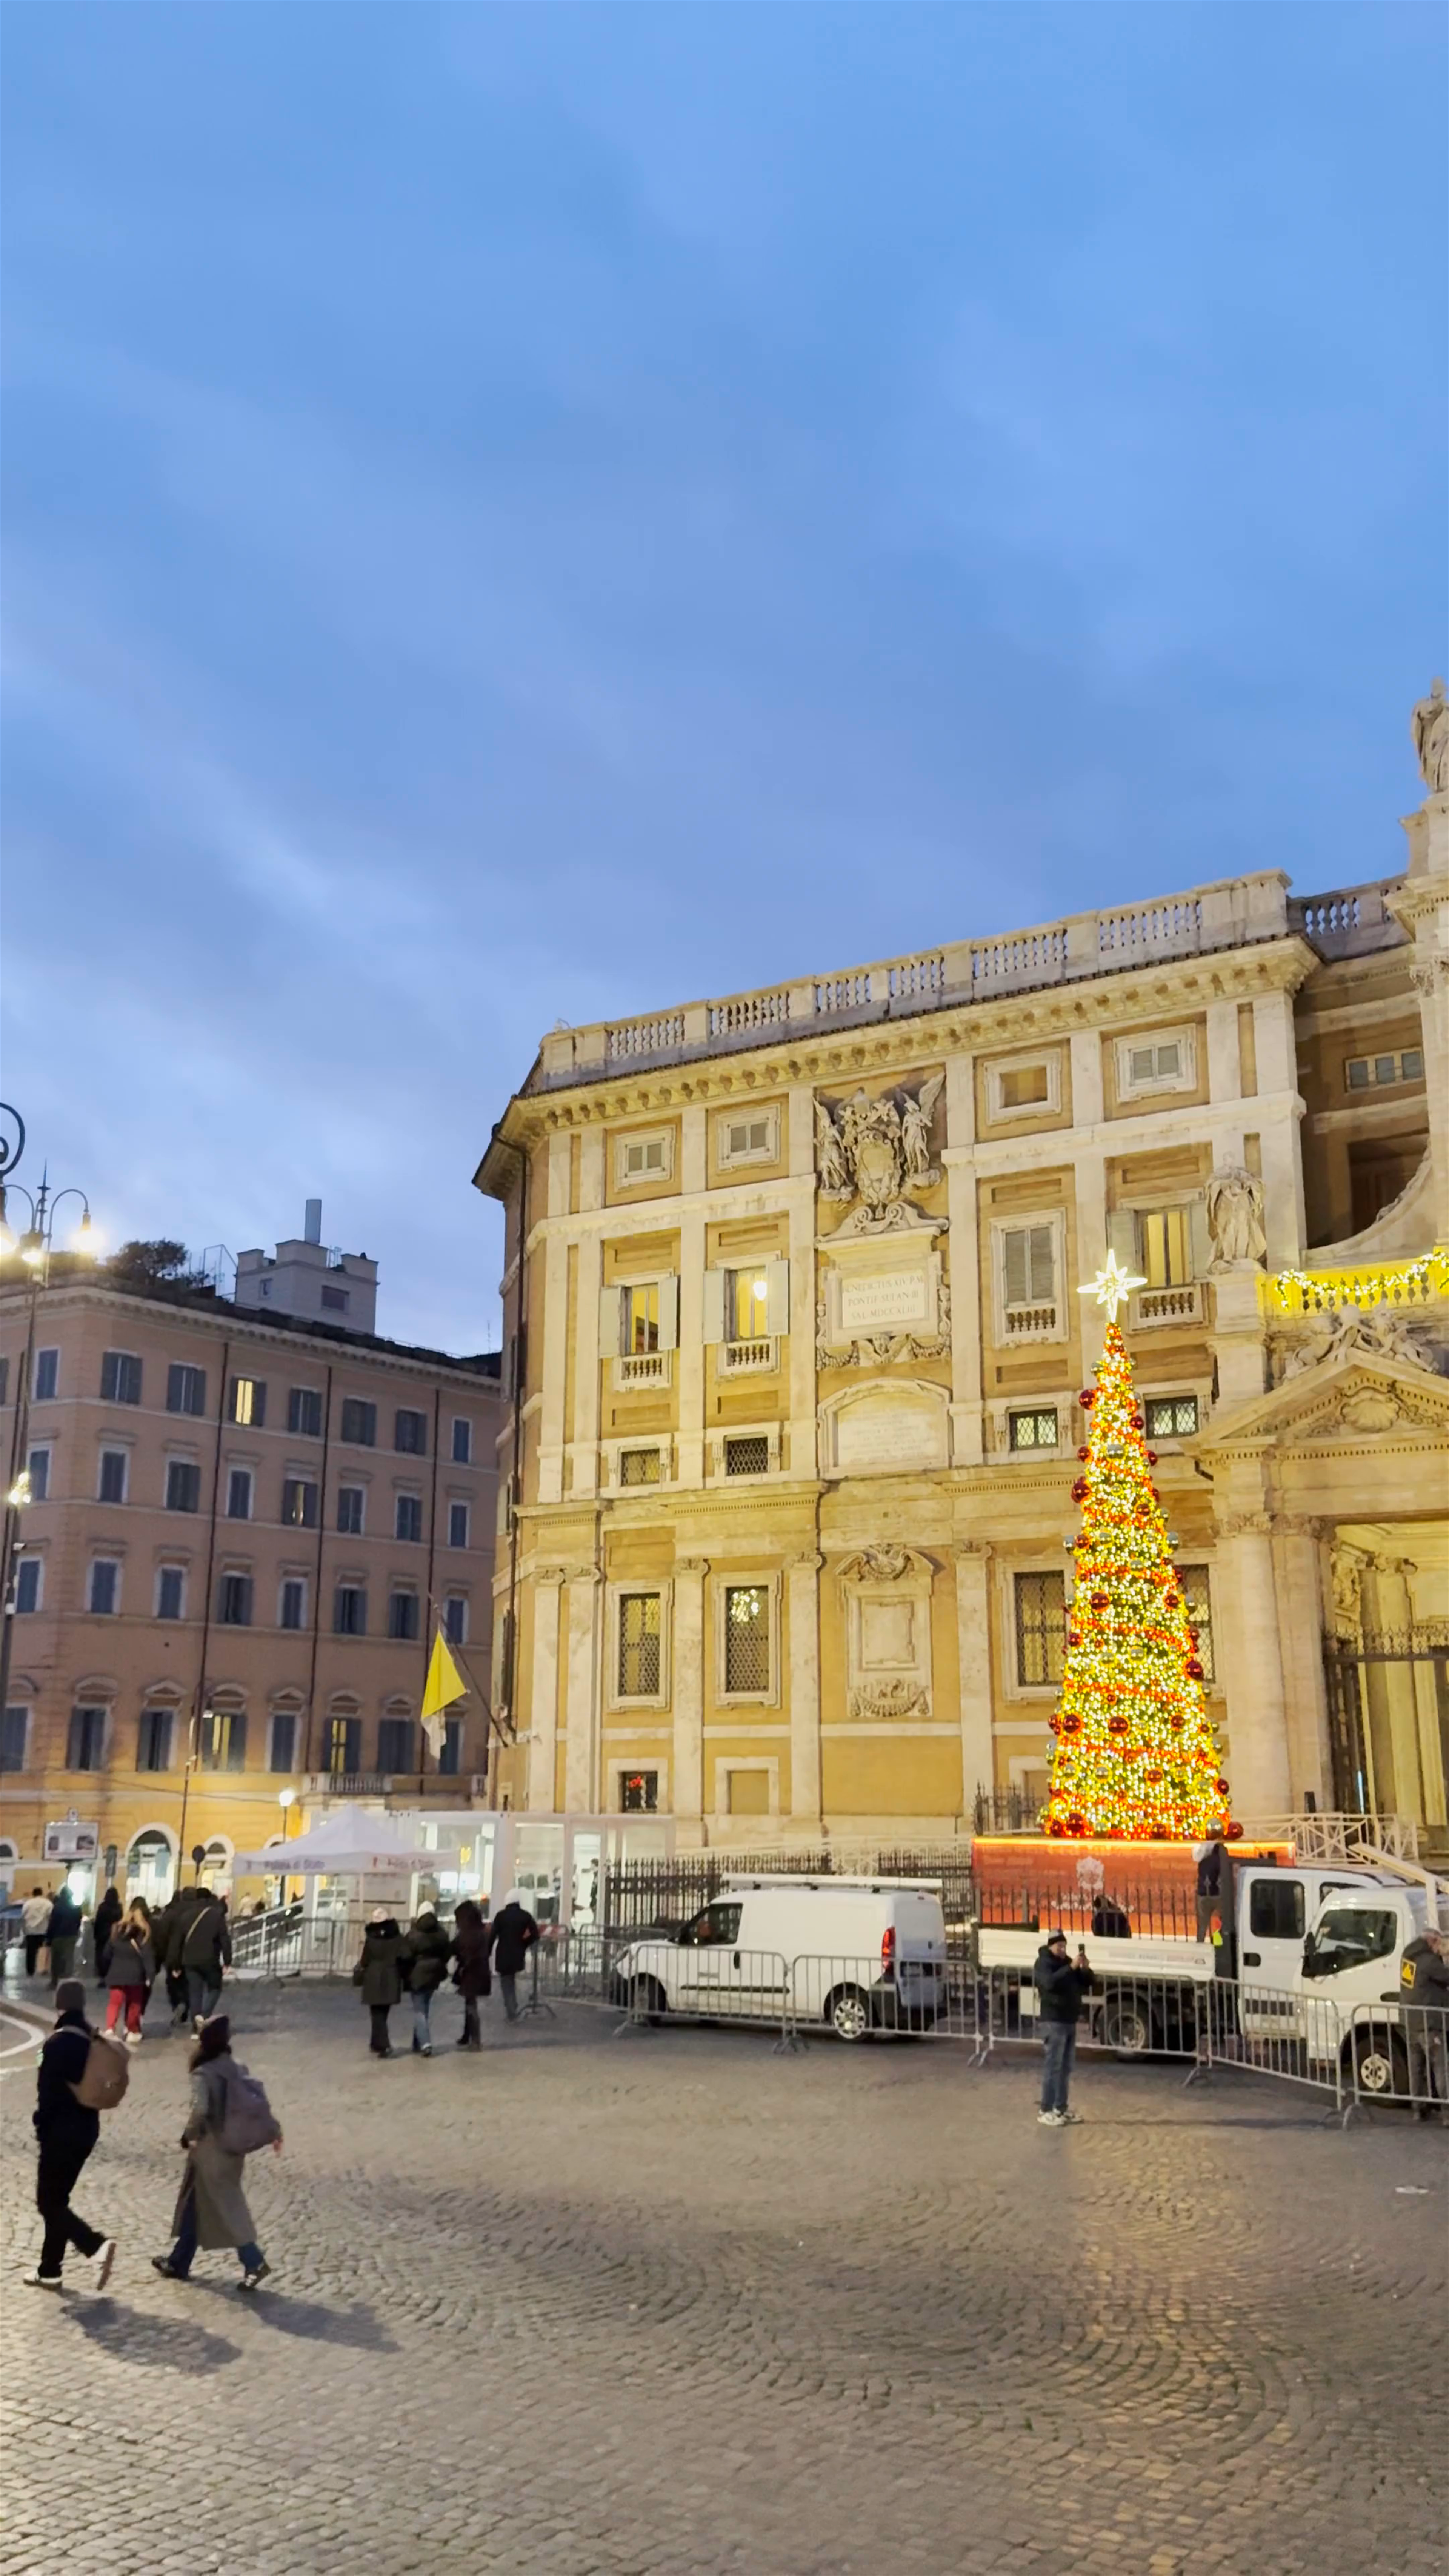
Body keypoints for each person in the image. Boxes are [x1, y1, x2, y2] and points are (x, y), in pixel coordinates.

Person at [152, 2015, 279, 2291]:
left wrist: (189, 2136)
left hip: (210, 2152)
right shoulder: (235, 2067)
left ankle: (254, 2261)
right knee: (195, 2205)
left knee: (227, 2207)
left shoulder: (203, 2073)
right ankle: (179, 2261)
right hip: (232, 2151)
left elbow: (200, 2109)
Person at [24, 1978, 117, 2291]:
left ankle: (95, 2245)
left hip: (61, 2133)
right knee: (57, 2200)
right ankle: (50, 2270)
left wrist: (41, 2128)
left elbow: (47, 2096)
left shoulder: (58, 2043)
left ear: (59, 2003)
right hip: (87, 2130)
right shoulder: (91, 2039)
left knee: (47, 2202)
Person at [1032, 1929, 1101, 2127]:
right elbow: (1049, 1984)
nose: (1062, 1950)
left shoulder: (1067, 1963)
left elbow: (1087, 1983)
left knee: (1065, 2067)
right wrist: (1071, 1968)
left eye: (1064, 1946)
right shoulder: (1043, 1963)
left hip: (1069, 2020)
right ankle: (1046, 2109)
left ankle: (1060, 2108)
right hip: (1053, 2021)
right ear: (1050, 1946)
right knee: (1053, 2066)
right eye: (1059, 1946)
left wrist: (1085, 1969)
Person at [1400, 1927, 1449, 2117]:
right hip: (1429, 2024)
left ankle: (1418, 2110)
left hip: (1411, 2021)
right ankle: (1447, 2111)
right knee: (1441, 2068)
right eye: (1439, 1944)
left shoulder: (1408, 1955)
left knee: (1416, 2069)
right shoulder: (1428, 1961)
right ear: (1431, 1942)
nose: (1440, 1949)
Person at [354, 1909, 406, 2057]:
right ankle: (376, 2043)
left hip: (374, 1978)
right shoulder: (397, 1937)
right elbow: (405, 1955)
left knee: (377, 2014)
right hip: (391, 1976)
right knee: (383, 2013)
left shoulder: (372, 1938)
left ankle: (383, 2045)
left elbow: (365, 1960)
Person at [103, 1901, 155, 2046]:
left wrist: (107, 1968)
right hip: (135, 1975)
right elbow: (147, 1956)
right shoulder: (143, 1933)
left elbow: (107, 1953)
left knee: (114, 2003)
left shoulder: (116, 1931)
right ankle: (132, 2030)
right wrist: (151, 1975)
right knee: (135, 2004)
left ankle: (110, 2029)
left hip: (116, 1973)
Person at [402, 1906, 452, 2055]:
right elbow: (447, 1953)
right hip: (435, 1974)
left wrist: (405, 1973)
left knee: (419, 2011)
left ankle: (425, 2043)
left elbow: (406, 1956)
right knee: (425, 2008)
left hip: (417, 1974)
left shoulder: (414, 1934)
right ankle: (417, 2042)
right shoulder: (442, 1933)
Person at [487, 1889, 540, 2022]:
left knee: (506, 1982)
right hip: (518, 1953)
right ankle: (513, 2006)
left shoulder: (500, 1916)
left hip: (503, 1954)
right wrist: (524, 1944)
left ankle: (512, 2010)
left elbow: (492, 1936)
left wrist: (487, 1953)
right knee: (511, 1979)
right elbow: (536, 1935)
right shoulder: (526, 1916)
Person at [180, 1887, 231, 2024]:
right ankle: (204, 2016)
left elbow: (178, 1940)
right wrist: (227, 1961)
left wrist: (175, 1962)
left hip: (190, 1960)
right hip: (210, 1959)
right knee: (215, 1988)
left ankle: (196, 2027)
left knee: (195, 1992)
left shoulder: (186, 1916)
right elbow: (225, 1939)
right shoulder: (216, 1916)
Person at [450, 1898, 492, 2049]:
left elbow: (454, 1947)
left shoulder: (468, 1934)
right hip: (479, 1971)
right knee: (470, 2004)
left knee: (471, 2007)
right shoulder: (480, 1931)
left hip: (472, 1973)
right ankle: (467, 2036)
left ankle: (475, 2040)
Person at [46, 1884, 82, 1987]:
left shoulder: (57, 1908)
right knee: (69, 1959)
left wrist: (49, 1938)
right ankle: (68, 1981)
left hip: (58, 1937)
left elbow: (53, 1924)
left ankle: (54, 1981)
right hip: (71, 1936)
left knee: (56, 1960)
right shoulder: (77, 1909)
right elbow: (78, 1923)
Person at [92, 1884, 124, 1986]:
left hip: (102, 1935)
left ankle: (102, 1977)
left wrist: (96, 1934)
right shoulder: (119, 1908)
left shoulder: (103, 1907)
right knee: (112, 1956)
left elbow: (98, 1921)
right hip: (114, 1935)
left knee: (101, 1955)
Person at [21, 1887, 52, 1978]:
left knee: (31, 1952)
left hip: (30, 1931)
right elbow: (51, 1916)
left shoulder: (28, 1904)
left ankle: (30, 1971)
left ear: (33, 1894)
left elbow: (23, 1915)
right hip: (43, 1930)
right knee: (44, 1951)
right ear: (41, 1893)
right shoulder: (48, 1904)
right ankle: (43, 1969)